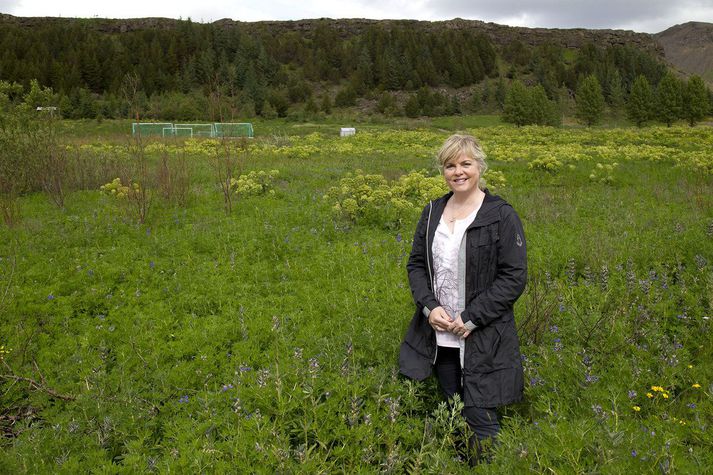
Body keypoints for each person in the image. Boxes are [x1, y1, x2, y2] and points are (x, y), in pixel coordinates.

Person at [399, 133, 527, 463]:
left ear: (479, 167)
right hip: (441, 335)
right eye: (450, 165)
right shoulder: (432, 212)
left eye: (465, 164)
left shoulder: (500, 215)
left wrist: (471, 317)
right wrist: (430, 307)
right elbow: (416, 264)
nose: (458, 172)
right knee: (452, 408)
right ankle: (459, 464)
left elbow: (513, 277)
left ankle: (485, 467)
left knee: (480, 416)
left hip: (482, 336)